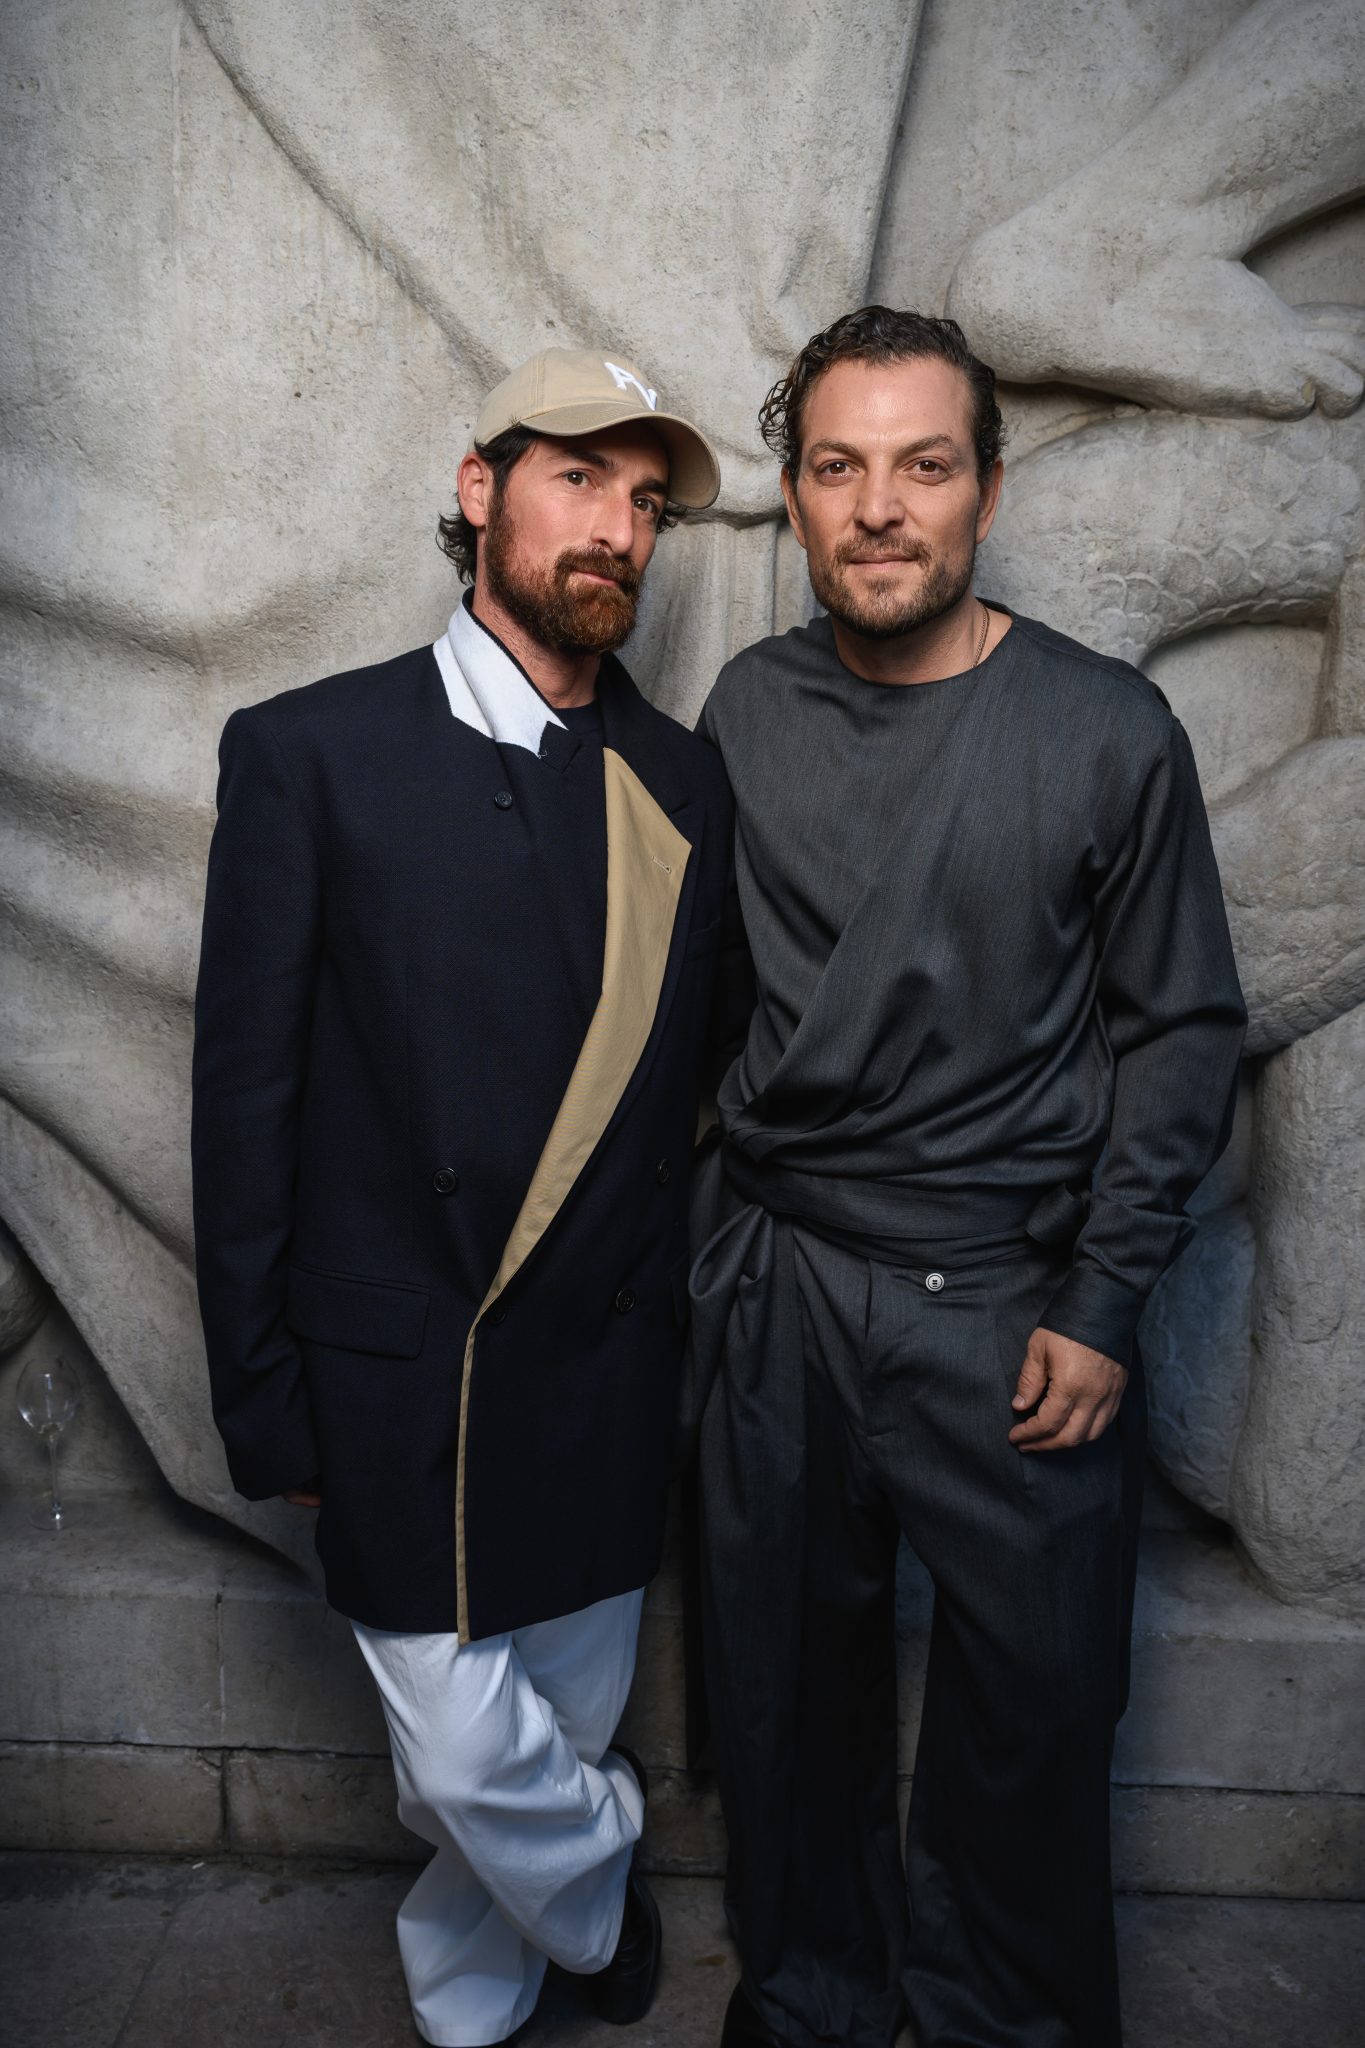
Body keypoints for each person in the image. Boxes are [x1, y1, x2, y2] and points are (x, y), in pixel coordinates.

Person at [688, 306, 1248, 2048]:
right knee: (785, 1706)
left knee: (1031, 1712)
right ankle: (810, 2010)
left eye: (922, 466)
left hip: (1009, 1304)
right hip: (780, 1293)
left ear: (985, 490)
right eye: (840, 468)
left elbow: (1182, 1034)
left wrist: (1100, 1302)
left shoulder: (1104, 730)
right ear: (792, 501)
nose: (880, 507)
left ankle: (995, 2024)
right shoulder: (742, 711)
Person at [192, 346, 749, 2047]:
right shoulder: (309, 752)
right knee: (458, 1747)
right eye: (578, 477)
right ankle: (596, 1902)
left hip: (600, 1358)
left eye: (644, 502)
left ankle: (471, 2008)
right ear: (478, 487)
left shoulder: (681, 782)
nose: (617, 530)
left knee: (544, 1741)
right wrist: (260, 1394)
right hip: (395, 1368)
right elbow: (245, 1097)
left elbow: (692, 1088)